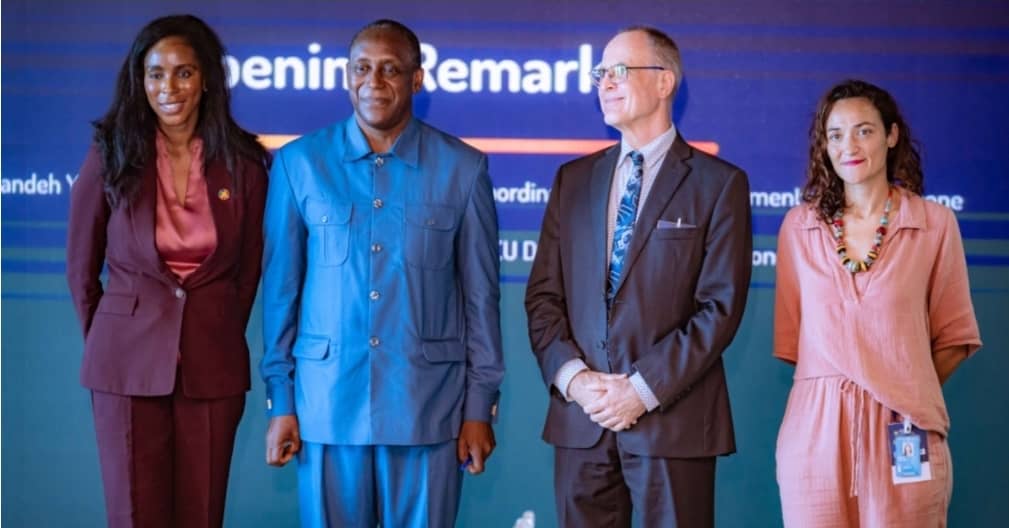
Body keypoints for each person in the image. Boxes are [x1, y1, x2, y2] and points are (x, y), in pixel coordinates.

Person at [259, 19, 504, 528]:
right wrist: (281, 399)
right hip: (327, 407)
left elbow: (481, 300)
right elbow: (281, 294)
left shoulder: (463, 168)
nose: (374, 82)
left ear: (417, 79)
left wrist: (479, 407)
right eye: (362, 68)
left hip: (426, 409)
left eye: (390, 69)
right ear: (346, 76)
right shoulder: (299, 164)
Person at [525, 26, 752, 527]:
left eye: (620, 70)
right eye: (600, 73)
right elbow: (543, 297)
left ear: (665, 81)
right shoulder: (572, 180)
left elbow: (719, 309)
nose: (604, 82)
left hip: (673, 423)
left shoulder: (720, 184)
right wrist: (576, 381)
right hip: (582, 423)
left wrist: (641, 390)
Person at [65, 14, 269, 528]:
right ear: (139, 80)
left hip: (212, 365)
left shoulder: (245, 162)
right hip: (124, 366)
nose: (168, 87)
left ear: (206, 79)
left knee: (202, 513)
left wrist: (215, 328)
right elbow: (81, 268)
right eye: (155, 73)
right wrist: (113, 337)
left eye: (183, 72)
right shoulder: (110, 151)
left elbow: (247, 274)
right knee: (134, 514)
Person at [774, 79, 982, 527]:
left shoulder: (934, 223)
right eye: (835, 135)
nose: (849, 146)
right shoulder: (798, 227)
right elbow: (795, 344)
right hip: (814, 435)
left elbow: (954, 338)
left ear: (891, 135)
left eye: (864, 131)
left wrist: (900, 386)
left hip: (906, 429)